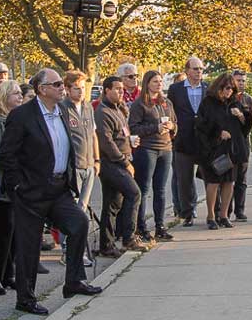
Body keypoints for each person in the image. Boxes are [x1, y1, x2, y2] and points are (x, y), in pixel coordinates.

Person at [0, 68, 102, 314]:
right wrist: (18, 186)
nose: (61, 88)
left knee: (78, 223)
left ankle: (74, 281)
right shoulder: (23, 115)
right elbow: (6, 155)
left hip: (58, 188)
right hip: (30, 190)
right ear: (42, 89)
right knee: (29, 245)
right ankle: (26, 299)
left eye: (61, 84)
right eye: (56, 84)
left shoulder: (63, 111)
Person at [94, 74, 142, 253]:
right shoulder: (103, 112)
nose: (121, 92)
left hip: (123, 159)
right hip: (112, 163)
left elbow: (122, 134)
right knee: (134, 193)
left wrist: (131, 141)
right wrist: (124, 162)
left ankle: (107, 244)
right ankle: (129, 238)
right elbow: (106, 142)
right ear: (107, 90)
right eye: (117, 89)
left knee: (113, 204)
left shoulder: (118, 109)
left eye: (122, 89)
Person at [0, 80, 24, 295]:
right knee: (3, 229)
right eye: (15, 93)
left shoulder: (17, 119)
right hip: (1, 184)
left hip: (16, 183)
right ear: (4, 96)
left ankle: (9, 274)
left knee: (14, 230)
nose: (19, 97)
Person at [128, 70, 175, 243]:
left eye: (161, 81)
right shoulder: (139, 104)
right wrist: (155, 128)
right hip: (147, 149)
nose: (159, 84)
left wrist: (171, 127)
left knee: (161, 190)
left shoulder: (166, 102)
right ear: (147, 83)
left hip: (166, 148)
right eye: (155, 81)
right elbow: (134, 128)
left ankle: (160, 226)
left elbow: (175, 122)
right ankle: (141, 227)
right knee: (144, 189)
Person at [195, 74, 247, 229]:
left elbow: (245, 127)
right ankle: (211, 216)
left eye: (232, 89)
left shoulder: (235, 103)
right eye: (227, 88)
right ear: (219, 87)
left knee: (229, 182)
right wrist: (218, 133)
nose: (229, 92)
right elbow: (200, 126)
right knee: (213, 182)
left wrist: (242, 117)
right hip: (212, 149)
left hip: (230, 149)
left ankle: (224, 215)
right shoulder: (208, 103)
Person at [165, 56, 207, 226]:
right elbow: (170, 112)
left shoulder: (208, 88)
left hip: (204, 140)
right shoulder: (175, 89)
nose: (199, 72)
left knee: (211, 175)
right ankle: (187, 212)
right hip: (183, 139)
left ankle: (216, 211)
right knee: (184, 178)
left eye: (201, 69)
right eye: (195, 69)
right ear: (187, 71)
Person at [59, 70, 97, 251]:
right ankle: (68, 247)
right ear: (67, 89)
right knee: (73, 209)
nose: (81, 92)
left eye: (83, 88)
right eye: (76, 88)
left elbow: (93, 134)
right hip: (73, 166)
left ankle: (78, 246)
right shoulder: (62, 108)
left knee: (83, 207)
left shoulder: (88, 107)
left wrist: (97, 160)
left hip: (89, 164)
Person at [226, 71, 252, 221]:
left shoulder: (248, 100)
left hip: (243, 143)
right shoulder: (226, 98)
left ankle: (240, 211)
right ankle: (226, 211)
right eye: (238, 80)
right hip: (229, 145)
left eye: (243, 80)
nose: (241, 83)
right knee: (229, 178)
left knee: (241, 180)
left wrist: (241, 116)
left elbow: (250, 123)